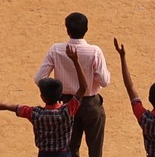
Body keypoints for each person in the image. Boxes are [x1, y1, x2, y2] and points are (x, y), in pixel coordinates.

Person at [38, 12, 113, 157]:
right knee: (95, 149)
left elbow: (39, 78)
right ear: (86, 29)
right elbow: (104, 81)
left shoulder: (56, 49)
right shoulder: (94, 51)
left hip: (66, 104)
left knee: (70, 148)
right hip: (90, 103)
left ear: (67, 30)